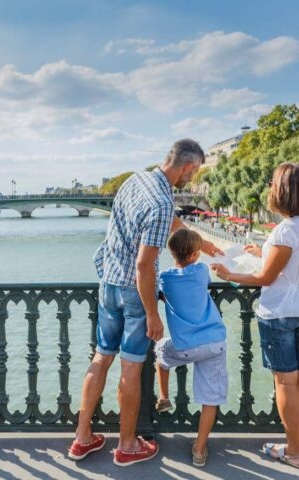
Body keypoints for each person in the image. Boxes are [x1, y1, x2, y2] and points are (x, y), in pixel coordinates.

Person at [67, 139, 222, 466]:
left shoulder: (134, 180)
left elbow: (172, 225)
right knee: (131, 366)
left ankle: (82, 437)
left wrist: (204, 244)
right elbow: (143, 266)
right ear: (187, 167)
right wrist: (153, 313)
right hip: (133, 292)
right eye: (193, 173)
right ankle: (127, 446)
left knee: (101, 358)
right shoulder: (162, 205)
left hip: (107, 282)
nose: (192, 179)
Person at [211, 162, 299, 470]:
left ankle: (294, 451)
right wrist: (264, 253)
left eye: (273, 183)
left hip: (281, 314)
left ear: (283, 192)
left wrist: (228, 273)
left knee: (286, 383)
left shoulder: (286, 230)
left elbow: (265, 278)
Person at [155, 228, 227, 467]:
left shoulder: (165, 278)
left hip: (186, 346)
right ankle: (199, 448)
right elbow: (204, 280)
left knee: (161, 351)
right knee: (210, 398)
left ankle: (164, 396)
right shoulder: (201, 271)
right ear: (196, 254)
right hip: (214, 342)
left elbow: (159, 288)